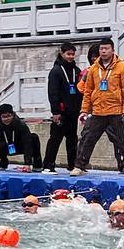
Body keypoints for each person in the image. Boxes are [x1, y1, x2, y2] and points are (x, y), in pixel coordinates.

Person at [72, 39, 124, 177]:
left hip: (116, 111)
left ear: (113, 50)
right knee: (87, 139)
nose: (103, 51)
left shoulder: (122, 67)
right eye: (101, 49)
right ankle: (79, 166)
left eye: (106, 49)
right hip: (98, 111)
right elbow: (88, 91)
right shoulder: (93, 69)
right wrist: (84, 111)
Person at [42, 42, 84, 172]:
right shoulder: (56, 71)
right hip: (61, 112)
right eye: (68, 54)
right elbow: (53, 92)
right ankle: (48, 166)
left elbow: (80, 91)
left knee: (72, 139)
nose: (70, 57)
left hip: (73, 111)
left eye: (72, 54)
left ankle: (73, 165)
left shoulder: (76, 71)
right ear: (62, 53)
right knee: (55, 139)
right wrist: (55, 111)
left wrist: (81, 109)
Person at [0, 104, 42, 170]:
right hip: (7, 148)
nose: (7, 119)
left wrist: (27, 163)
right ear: (0, 116)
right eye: (4, 117)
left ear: (12, 114)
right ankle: (3, 163)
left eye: (9, 116)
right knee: (1, 145)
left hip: (21, 147)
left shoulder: (21, 125)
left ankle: (37, 165)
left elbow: (27, 143)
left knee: (34, 138)